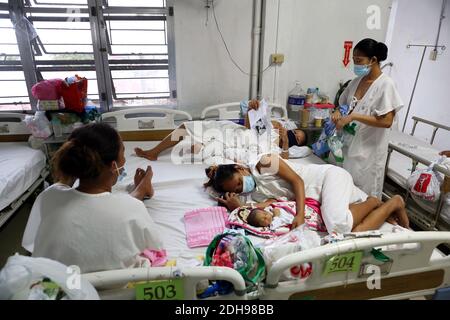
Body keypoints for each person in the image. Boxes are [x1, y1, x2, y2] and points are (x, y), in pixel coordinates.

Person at [30, 123, 162, 273]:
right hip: (117, 289)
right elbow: (157, 249)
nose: (124, 161)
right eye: (123, 153)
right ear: (113, 166)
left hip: (55, 288)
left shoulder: (50, 195)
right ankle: (142, 190)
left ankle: (141, 190)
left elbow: (34, 243)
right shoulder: (131, 207)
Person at [204, 154, 409, 234]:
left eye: (240, 182)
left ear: (240, 168)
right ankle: (378, 207)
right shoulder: (255, 195)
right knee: (349, 233)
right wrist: (237, 206)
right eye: (238, 189)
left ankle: (381, 202)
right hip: (319, 198)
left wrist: (299, 214)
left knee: (338, 225)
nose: (242, 188)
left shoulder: (264, 163)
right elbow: (270, 206)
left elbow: (297, 181)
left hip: (328, 178)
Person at [332, 38, 404, 199]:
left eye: (359, 60)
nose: (355, 64)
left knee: (364, 197)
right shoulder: (356, 82)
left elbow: (387, 121)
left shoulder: (386, 85)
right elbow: (342, 104)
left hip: (368, 153)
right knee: (343, 191)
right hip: (347, 146)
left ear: (373, 60)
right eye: (354, 60)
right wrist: (337, 112)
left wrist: (354, 116)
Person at [134, 100, 306, 162]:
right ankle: (154, 152)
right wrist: (251, 112)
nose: (296, 135)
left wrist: (284, 141)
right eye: (297, 132)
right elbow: (249, 126)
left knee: (201, 147)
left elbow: (285, 160)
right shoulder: (276, 125)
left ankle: (201, 146)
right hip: (238, 131)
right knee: (186, 127)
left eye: (299, 138)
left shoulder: (283, 146)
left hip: (245, 144)